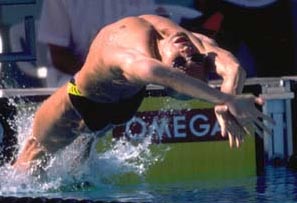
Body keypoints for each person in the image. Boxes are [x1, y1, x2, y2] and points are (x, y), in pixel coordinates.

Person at [12, 15, 274, 173]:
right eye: (192, 58)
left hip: (80, 103)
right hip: (122, 101)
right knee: (81, 157)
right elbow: (233, 67)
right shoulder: (193, 44)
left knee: (31, 158)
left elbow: (166, 75)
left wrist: (225, 100)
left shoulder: (137, 61)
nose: (185, 52)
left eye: (182, 62)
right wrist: (225, 100)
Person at [37, 0, 165, 87]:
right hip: (78, 83)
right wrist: (98, 78)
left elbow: (152, 36)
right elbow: (59, 55)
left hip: (134, 80)